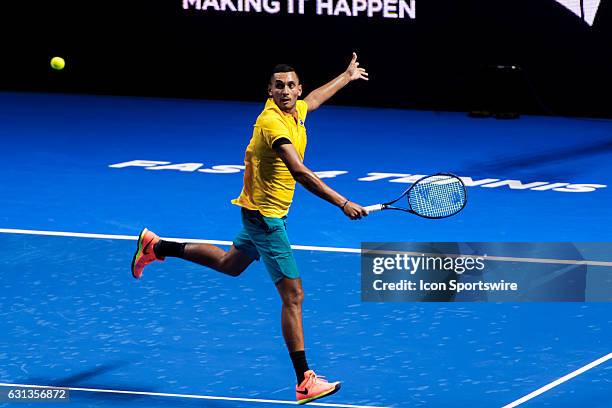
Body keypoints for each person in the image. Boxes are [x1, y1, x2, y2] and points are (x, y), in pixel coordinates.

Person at [131, 53, 369, 405]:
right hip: (266, 220)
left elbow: (315, 99)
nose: (286, 91)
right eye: (279, 86)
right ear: (269, 90)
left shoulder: (296, 111)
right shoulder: (272, 123)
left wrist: (347, 76)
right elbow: (299, 171)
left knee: (231, 264)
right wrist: (342, 202)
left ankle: (157, 246)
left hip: (258, 212)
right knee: (294, 296)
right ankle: (305, 380)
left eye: (291, 85)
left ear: (297, 89)